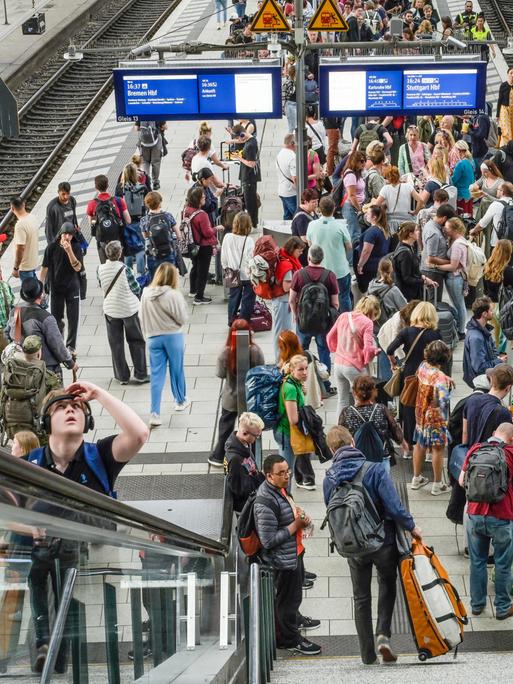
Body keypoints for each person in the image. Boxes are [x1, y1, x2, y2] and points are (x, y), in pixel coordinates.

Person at [25, 382, 148, 671]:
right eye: (61, 407)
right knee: (41, 585)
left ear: (88, 422)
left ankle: (58, 653)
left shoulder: (100, 456)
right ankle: (48, 647)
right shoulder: (29, 464)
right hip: (43, 556)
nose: (70, 409)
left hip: (92, 560)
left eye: (78, 408)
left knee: (71, 604)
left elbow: (140, 433)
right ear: (46, 422)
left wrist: (99, 395)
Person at [324, 426, 422, 665]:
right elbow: (394, 506)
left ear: (332, 450)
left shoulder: (329, 477)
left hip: (353, 545)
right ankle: (383, 636)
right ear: (353, 444)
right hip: (382, 542)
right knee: (387, 585)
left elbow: (332, 510)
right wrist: (412, 527)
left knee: (361, 597)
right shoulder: (375, 469)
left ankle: (367, 654)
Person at [254, 454, 321, 655]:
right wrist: (295, 525)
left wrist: (298, 516)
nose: (287, 476)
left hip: (293, 554)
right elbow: (268, 540)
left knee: (293, 598)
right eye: (281, 473)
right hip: (282, 562)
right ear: (269, 476)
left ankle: (293, 624)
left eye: (287, 471)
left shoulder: (279, 490)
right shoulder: (265, 502)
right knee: (286, 601)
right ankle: (289, 639)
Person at [459, 422, 513, 620]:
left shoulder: (476, 449)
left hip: (475, 515)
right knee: (503, 564)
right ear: (511, 439)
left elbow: (461, 480)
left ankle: (477, 605)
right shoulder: (510, 453)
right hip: (502, 516)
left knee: (477, 562)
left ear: (493, 434)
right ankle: (502, 607)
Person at [209, 320, 264, 467]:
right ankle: (251, 456)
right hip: (250, 398)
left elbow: (220, 374)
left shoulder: (225, 352)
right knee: (250, 428)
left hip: (230, 396)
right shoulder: (255, 351)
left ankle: (218, 456)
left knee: (225, 427)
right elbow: (261, 372)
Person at [140, 263, 190, 426]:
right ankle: (180, 400)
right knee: (177, 370)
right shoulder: (174, 295)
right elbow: (183, 318)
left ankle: (155, 412)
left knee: (156, 376)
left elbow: (141, 316)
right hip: (173, 336)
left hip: (153, 337)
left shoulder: (146, 293)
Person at [387, 301, 442, 446]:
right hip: (428, 374)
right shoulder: (435, 334)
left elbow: (390, 349)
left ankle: (408, 445)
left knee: (408, 406)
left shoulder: (407, 332)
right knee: (428, 407)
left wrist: (393, 363)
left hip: (410, 374)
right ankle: (426, 444)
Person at [289, 244, 339, 394]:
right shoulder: (329, 275)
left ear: (309, 257)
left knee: (300, 351)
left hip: (303, 320)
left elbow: (292, 299)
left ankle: (300, 382)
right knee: (323, 350)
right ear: (322, 258)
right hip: (323, 322)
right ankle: (325, 385)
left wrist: (295, 314)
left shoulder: (299, 274)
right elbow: (335, 302)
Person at [97, 241, 148, 386]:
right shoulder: (125, 269)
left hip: (110, 310)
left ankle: (122, 376)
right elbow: (136, 288)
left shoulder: (100, 269)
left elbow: (103, 284)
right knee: (136, 341)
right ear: (119, 253)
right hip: (129, 310)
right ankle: (141, 374)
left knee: (116, 344)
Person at [8, 278, 77, 379]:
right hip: (46, 369)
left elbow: (9, 335)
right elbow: (57, 346)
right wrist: (70, 363)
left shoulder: (15, 312)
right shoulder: (46, 318)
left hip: (21, 368)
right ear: (41, 295)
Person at [338, 375, 409, 473]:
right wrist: (402, 441)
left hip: (357, 458)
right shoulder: (381, 409)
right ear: (374, 392)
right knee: (382, 485)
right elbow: (394, 427)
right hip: (381, 456)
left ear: (354, 393)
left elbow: (340, 434)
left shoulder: (347, 412)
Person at [0, 335, 61, 441]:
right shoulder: (48, 376)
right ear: (39, 352)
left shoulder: (11, 372)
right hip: (36, 431)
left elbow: (3, 396)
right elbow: (58, 401)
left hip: (12, 428)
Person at [411, 340, 453, 495]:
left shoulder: (422, 365)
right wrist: (445, 382)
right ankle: (437, 485)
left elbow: (424, 378)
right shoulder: (439, 376)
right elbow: (443, 400)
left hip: (420, 412)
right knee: (438, 448)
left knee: (419, 444)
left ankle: (416, 478)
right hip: (435, 417)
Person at [327, 295, 381, 415]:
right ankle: (358, 427)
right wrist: (374, 351)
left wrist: (336, 349)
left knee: (342, 400)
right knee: (361, 400)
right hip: (354, 367)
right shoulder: (367, 323)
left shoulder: (343, 316)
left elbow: (330, 336)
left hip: (338, 363)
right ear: (372, 311)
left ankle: (340, 429)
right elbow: (367, 348)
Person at [275, 354, 316, 490]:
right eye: (300, 369)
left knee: (286, 472)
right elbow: (293, 419)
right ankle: (284, 503)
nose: (304, 372)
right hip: (286, 433)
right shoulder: (291, 388)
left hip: (285, 431)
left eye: (306, 369)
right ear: (292, 370)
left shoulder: (293, 382)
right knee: (284, 474)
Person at [40, 222, 83, 352]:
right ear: (60, 234)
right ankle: (58, 343)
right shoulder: (51, 247)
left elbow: (78, 267)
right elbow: (44, 268)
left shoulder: (76, 247)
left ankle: (71, 346)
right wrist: (40, 287)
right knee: (56, 318)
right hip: (57, 287)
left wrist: (69, 250)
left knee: (73, 318)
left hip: (72, 287)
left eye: (70, 234)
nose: (67, 237)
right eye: (65, 234)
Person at [306, 196, 352, 312]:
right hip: (339, 270)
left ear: (319, 209)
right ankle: (345, 322)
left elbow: (310, 244)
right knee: (344, 297)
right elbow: (349, 246)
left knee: (322, 298)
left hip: (320, 270)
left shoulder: (312, 225)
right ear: (334, 208)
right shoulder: (340, 227)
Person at [462, 364, 513, 449]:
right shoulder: (503, 412)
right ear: (508, 388)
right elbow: (507, 444)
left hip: (471, 456)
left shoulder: (471, 401)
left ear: (492, 381)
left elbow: (465, 433)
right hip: (490, 460)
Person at [270, 236, 304, 361]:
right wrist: (299, 282)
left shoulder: (286, 259)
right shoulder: (287, 264)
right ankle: (279, 361)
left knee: (283, 332)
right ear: (292, 249)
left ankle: (282, 359)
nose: (301, 253)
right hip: (283, 302)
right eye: (299, 250)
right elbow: (286, 287)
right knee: (281, 334)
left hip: (283, 302)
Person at [224, 412, 265, 512]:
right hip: (246, 506)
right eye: (256, 436)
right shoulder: (235, 460)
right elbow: (240, 490)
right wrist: (262, 475)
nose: (257, 439)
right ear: (244, 433)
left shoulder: (244, 443)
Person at [184, 186, 218, 305]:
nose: (205, 198)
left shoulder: (186, 210)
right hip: (203, 246)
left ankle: (193, 290)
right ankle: (199, 297)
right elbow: (207, 232)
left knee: (195, 267)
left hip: (192, 244)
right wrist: (216, 228)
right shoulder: (202, 214)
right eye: (203, 197)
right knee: (202, 272)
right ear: (198, 199)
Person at [463, 296, 507, 388]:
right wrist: (499, 361)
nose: (493, 312)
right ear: (484, 314)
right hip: (482, 381)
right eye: (491, 310)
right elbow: (479, 367)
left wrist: (497, 357)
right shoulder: (476, 338)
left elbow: (492, 348)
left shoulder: (483, 329)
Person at [86, 175, 131, 264]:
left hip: (102, 241)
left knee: (105, 266)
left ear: (96, 187)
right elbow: (128, 220)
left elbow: (91, 224)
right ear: (108, 185)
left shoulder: (92, 204)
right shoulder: (118, 200)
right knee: (119, 266)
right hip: (117, 239)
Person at [221, 211, 255, 326]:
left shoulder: (227, 237)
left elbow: (224, 256)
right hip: (246, 274)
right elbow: (250, 259)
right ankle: (244, 321)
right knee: (248, 298)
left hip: (231, 272)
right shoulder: (249, 240)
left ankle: (231, 320)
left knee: (233, 296)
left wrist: (226, 267)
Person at [436, 216, 468, 339]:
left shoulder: (457, 245)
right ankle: (460, 328)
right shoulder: (459, 241)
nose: (445, 229)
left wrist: (437, 266)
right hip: (457, 277)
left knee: (459, 304)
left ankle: (461, 331)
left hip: (455, 278)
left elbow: (453, 266)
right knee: (458, 304)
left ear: (454, 229)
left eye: (447, 227)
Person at [419, 204, 457, 301]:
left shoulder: (433, 226)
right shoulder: (434, 232)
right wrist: (450, 262)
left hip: (434, 272)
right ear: (444, 218)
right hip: (432, 273)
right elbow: (431, 258)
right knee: (433, 302)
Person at [392, 222, 437, 300]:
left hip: (411, 291)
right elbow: (406, 278)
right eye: (416, 230)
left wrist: (424, 278)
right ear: (410, 234)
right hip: (408, 294)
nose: (419, 232)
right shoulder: (405, 253)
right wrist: (423, 281)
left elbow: (413, 271)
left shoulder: (409, 248)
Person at [117, 162, 148, 275]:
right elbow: (149, 201)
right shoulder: (142, 187)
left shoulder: (120, 189)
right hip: (140, 221)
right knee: (140, 248)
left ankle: (128, 273)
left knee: (127, 249)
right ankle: (141, 273)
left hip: (126, 222)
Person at [139, 191, 179, 278]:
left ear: (147, 205)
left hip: (153, 254)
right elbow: (178, 234)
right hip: (169, 251)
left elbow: (145, 236)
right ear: (160, 202)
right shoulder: (168, 216)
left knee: (154, 280)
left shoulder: (144, 220)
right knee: (170, 279)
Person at [373, 166, 423, 234]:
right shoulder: (408, 186)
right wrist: (415, 212)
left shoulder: (385, 189)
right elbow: (421, 200)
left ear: (387, 178)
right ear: (398, 175)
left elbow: (376, 205)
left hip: (391, 223)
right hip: (407, 221)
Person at [356, 205, 392, 293]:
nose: (366, 215)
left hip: (370, 267)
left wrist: (360, 265)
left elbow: (366, 251)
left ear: (374, 217)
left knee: (369, 292)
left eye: (368, 214)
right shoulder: (384, 229)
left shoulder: (371, 232)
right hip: (380, 265)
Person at [231, 124, 260, 228]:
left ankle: (252, 223)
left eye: (238, 137)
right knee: (249, 200)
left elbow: (252, 164)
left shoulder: (251, 145)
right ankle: (253, 222)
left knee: (250, 202)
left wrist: (239, 158)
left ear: (242, 134)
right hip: (248, 176)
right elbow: (241, 141)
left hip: (249, 177)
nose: (238, 140)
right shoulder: (250, 140)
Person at [470, 181, 513, 252]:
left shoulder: (496, 204)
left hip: (498, 242)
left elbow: (482, 223)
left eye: (498, 189)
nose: (497, 191)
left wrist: (473, 230)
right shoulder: (511, 203)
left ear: (502, 192)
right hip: (510, 242)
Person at [341, 151, 367, 264]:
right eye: (361, 161)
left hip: (357, 206)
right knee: (354, 235)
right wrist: (360, 209)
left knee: (356, 234)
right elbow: (352, 195)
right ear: (354, 161)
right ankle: (352, 261)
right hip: (351, 208)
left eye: (364, 160)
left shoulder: (358, 173)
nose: (364, 163)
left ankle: (354, 259)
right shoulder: (351, 175)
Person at [10, 197, 39, 282]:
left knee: (29, 293)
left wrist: (16, 268)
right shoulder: (32, 217)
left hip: (25, 267)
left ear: (12, 208)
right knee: (35, 290)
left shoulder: (20, 225)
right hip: (33, 262)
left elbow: (20, 248)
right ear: (24, 204)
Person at [291, 188, 319, 266]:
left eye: (317, 201)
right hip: (303, 255)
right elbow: (304, 238)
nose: (316, 204)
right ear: (306, 202)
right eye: (313, 202)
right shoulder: (301, 217)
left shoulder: (311, 210)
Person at [137, 120, 166, 189]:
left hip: (144, 143)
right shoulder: (157, 113)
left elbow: (136, 128)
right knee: (156, 162)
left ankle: (146, 181)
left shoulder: (140, 114)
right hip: (156, 142)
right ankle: (155, 182)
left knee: (145, 162)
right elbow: (165, 127)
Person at [276, 134, 297, 220]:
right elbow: (295, 178)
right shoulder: (292, 156)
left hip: (282, 190)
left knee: (287, 216)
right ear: (292, 143)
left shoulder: (280, 154)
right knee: (297, 216)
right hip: (291, 192)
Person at [451, 140, 475, 215]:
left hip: (461, 196)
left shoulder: (460, 164)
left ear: (459, 151)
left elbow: (453, 180)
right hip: (469, 194)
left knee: (462, 218)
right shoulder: (471, 161)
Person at [497, 66, 513, 147]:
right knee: (506, 130)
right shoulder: (503, 85)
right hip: (504, 109)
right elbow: (499, 100)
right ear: (508, 74)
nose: (512, 75)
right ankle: (507, 146)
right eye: (511, 73)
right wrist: (497, 115)